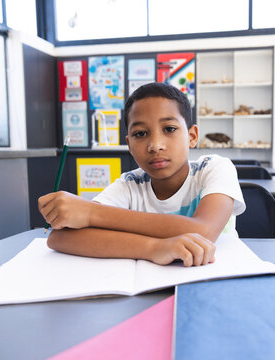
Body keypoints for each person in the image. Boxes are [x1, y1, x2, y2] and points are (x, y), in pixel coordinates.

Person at [38, 82, 245, 267]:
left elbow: (203, 231)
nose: (155, 146)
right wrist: (154, 248)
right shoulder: (130, 185)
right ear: (129, 144)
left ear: (192, 137)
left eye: (169, 129)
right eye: (140, 134)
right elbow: (60, 237)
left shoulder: (215, 168)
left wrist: (92, 213)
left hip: (217, 281)